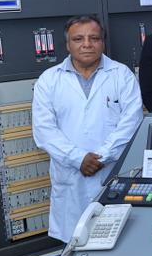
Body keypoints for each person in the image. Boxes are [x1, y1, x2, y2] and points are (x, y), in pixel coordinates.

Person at [32, 15, 143, 241]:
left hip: (112, 171)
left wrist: (101, 157)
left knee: (118, 242)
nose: (86, 44)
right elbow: (44, 131)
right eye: (78, 39)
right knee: (74, 243)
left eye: (94, 38)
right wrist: (78, 158)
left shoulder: (121, 75)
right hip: (71, 178)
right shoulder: (49, 80)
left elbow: (131, 122)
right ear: (67, 44)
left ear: (102, 42)